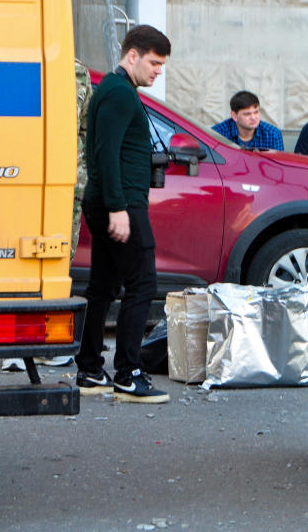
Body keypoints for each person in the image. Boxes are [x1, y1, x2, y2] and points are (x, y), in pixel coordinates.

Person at [76, 25, 171, 403]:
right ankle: (128, 375)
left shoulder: (116, 90)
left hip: (109, 202)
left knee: (102, 286)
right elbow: (106, 154)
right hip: (121, 204)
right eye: (154, 62)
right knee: (143, 284)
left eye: (161, 64)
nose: (158, 70)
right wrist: (118, 208)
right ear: (132, 55)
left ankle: (88, 368)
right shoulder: (118, 94)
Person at [212, 91, 284, 150]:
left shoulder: (273, 134)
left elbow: (279, 166)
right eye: (247, 114)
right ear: (234, 116)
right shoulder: (217, 134)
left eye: (256, 112)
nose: (253, 117)